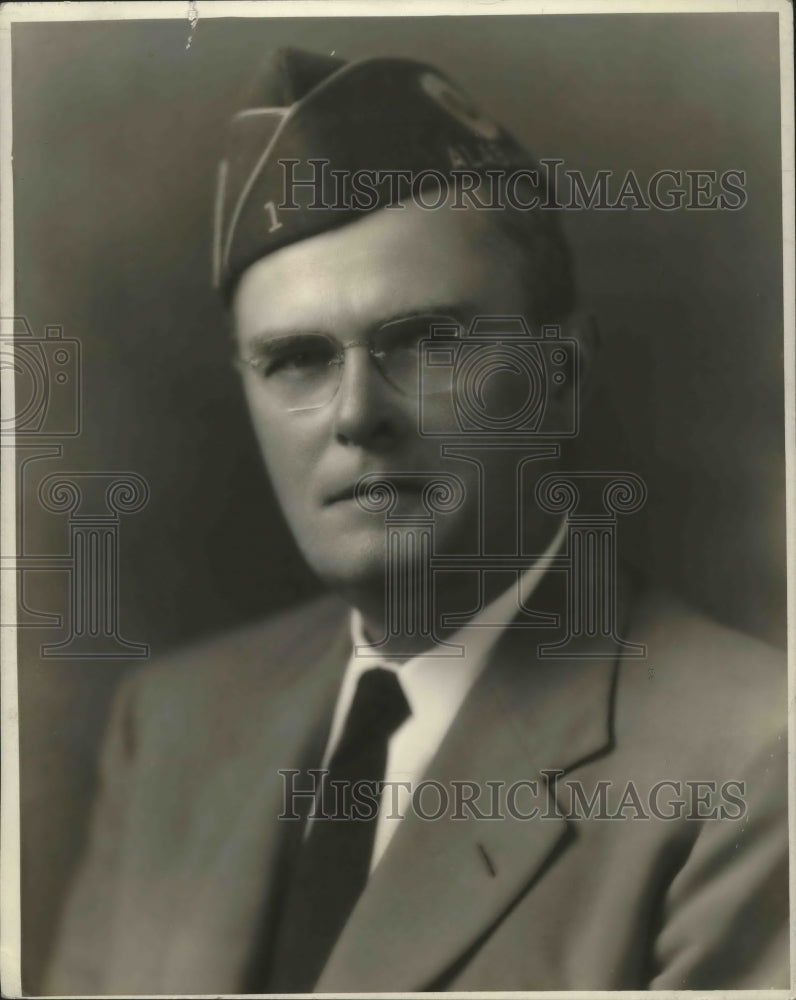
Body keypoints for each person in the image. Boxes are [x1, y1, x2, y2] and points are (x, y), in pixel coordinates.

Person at [45, 48, 787, 994]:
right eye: (297, 361)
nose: (358, 413)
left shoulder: (753, 761)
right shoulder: (172, 728)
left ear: (558, 380)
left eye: (428, 341)